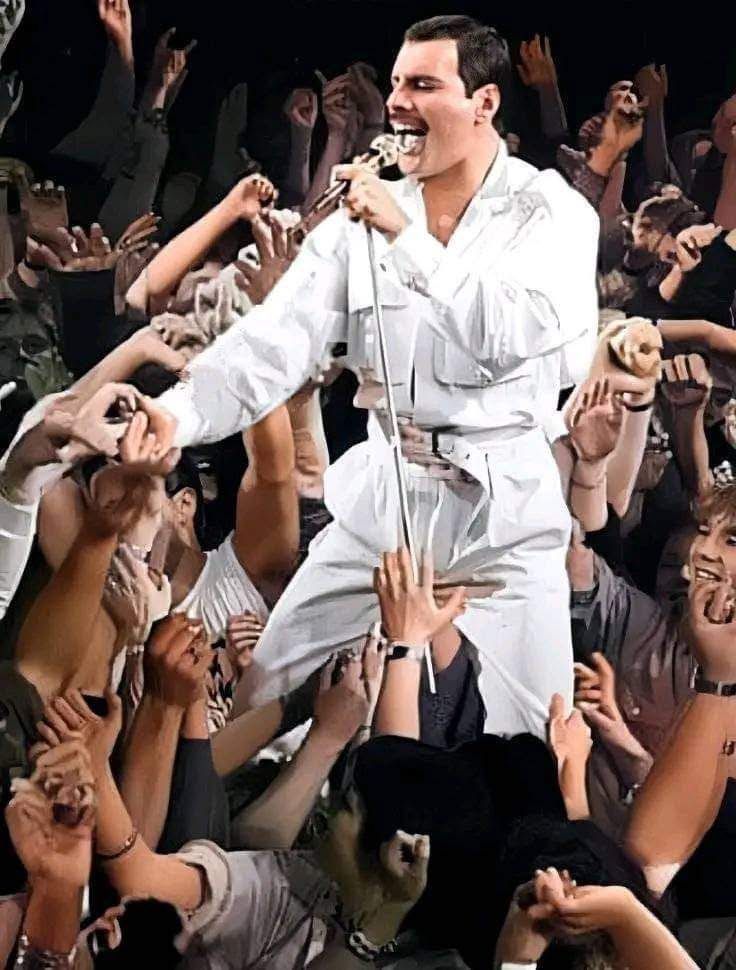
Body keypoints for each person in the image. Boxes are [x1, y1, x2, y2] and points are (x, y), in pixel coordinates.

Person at [127, 14, 599, 738]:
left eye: (424, 84)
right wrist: (179, 414)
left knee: (537, 735)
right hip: (387, 493)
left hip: (506, 512)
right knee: (265, 691)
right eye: (399, 82)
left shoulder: (551, 212)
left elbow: (514, 335)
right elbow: (273, 342)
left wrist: (405, 241)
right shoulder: (360, 222)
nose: (401, 102)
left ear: (485, 104)